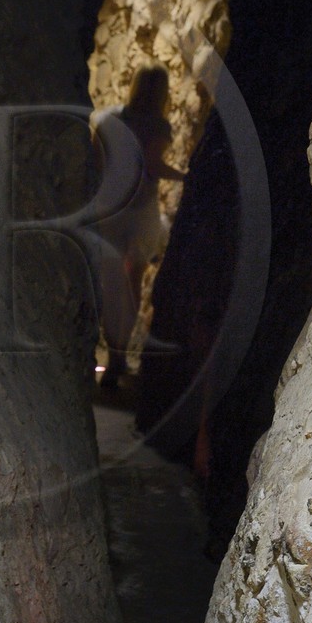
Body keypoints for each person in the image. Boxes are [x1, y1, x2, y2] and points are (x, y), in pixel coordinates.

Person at [93, 65, 185, 389]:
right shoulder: (157, 125)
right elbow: (153, 165)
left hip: (111, 208)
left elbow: (96, 158)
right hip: (140, 210)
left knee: (111, 283)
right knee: (132, 282)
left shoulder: (111, 120)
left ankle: (112, 355)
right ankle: (118, 354)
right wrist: (189, 177)